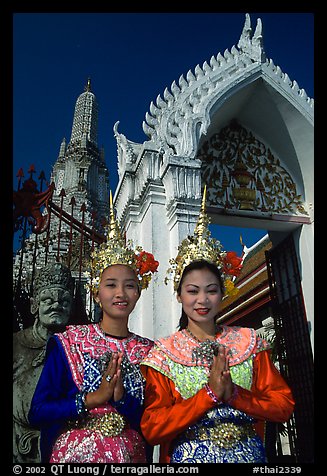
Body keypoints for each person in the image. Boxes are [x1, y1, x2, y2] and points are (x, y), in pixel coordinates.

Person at [140, 186, 295, 463]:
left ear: (223, 294)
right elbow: (152, 427)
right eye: (192, 291)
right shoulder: (163, 354)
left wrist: (235, 395)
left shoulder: (247, 342)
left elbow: (282, 405)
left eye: (211, 290)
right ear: (179, 295)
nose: (202, 300)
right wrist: (208, 395)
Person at [28, 192, 159, 463]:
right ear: (96, 293)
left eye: (130, 285)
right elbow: (38, 411)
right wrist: (91, 399)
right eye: (110, 285)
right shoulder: (71, 342)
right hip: (76, 456)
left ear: (138, 293)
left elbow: (151, 422)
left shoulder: (151, 352)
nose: (120, 293)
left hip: (130, 455)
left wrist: (122, 398)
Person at [13, 262, 74, 463]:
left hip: (66, 445)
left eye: (64, 301)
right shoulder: (17, 344)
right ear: (34, 305)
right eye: (48, 300)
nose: (56, 305)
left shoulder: (79, 347)